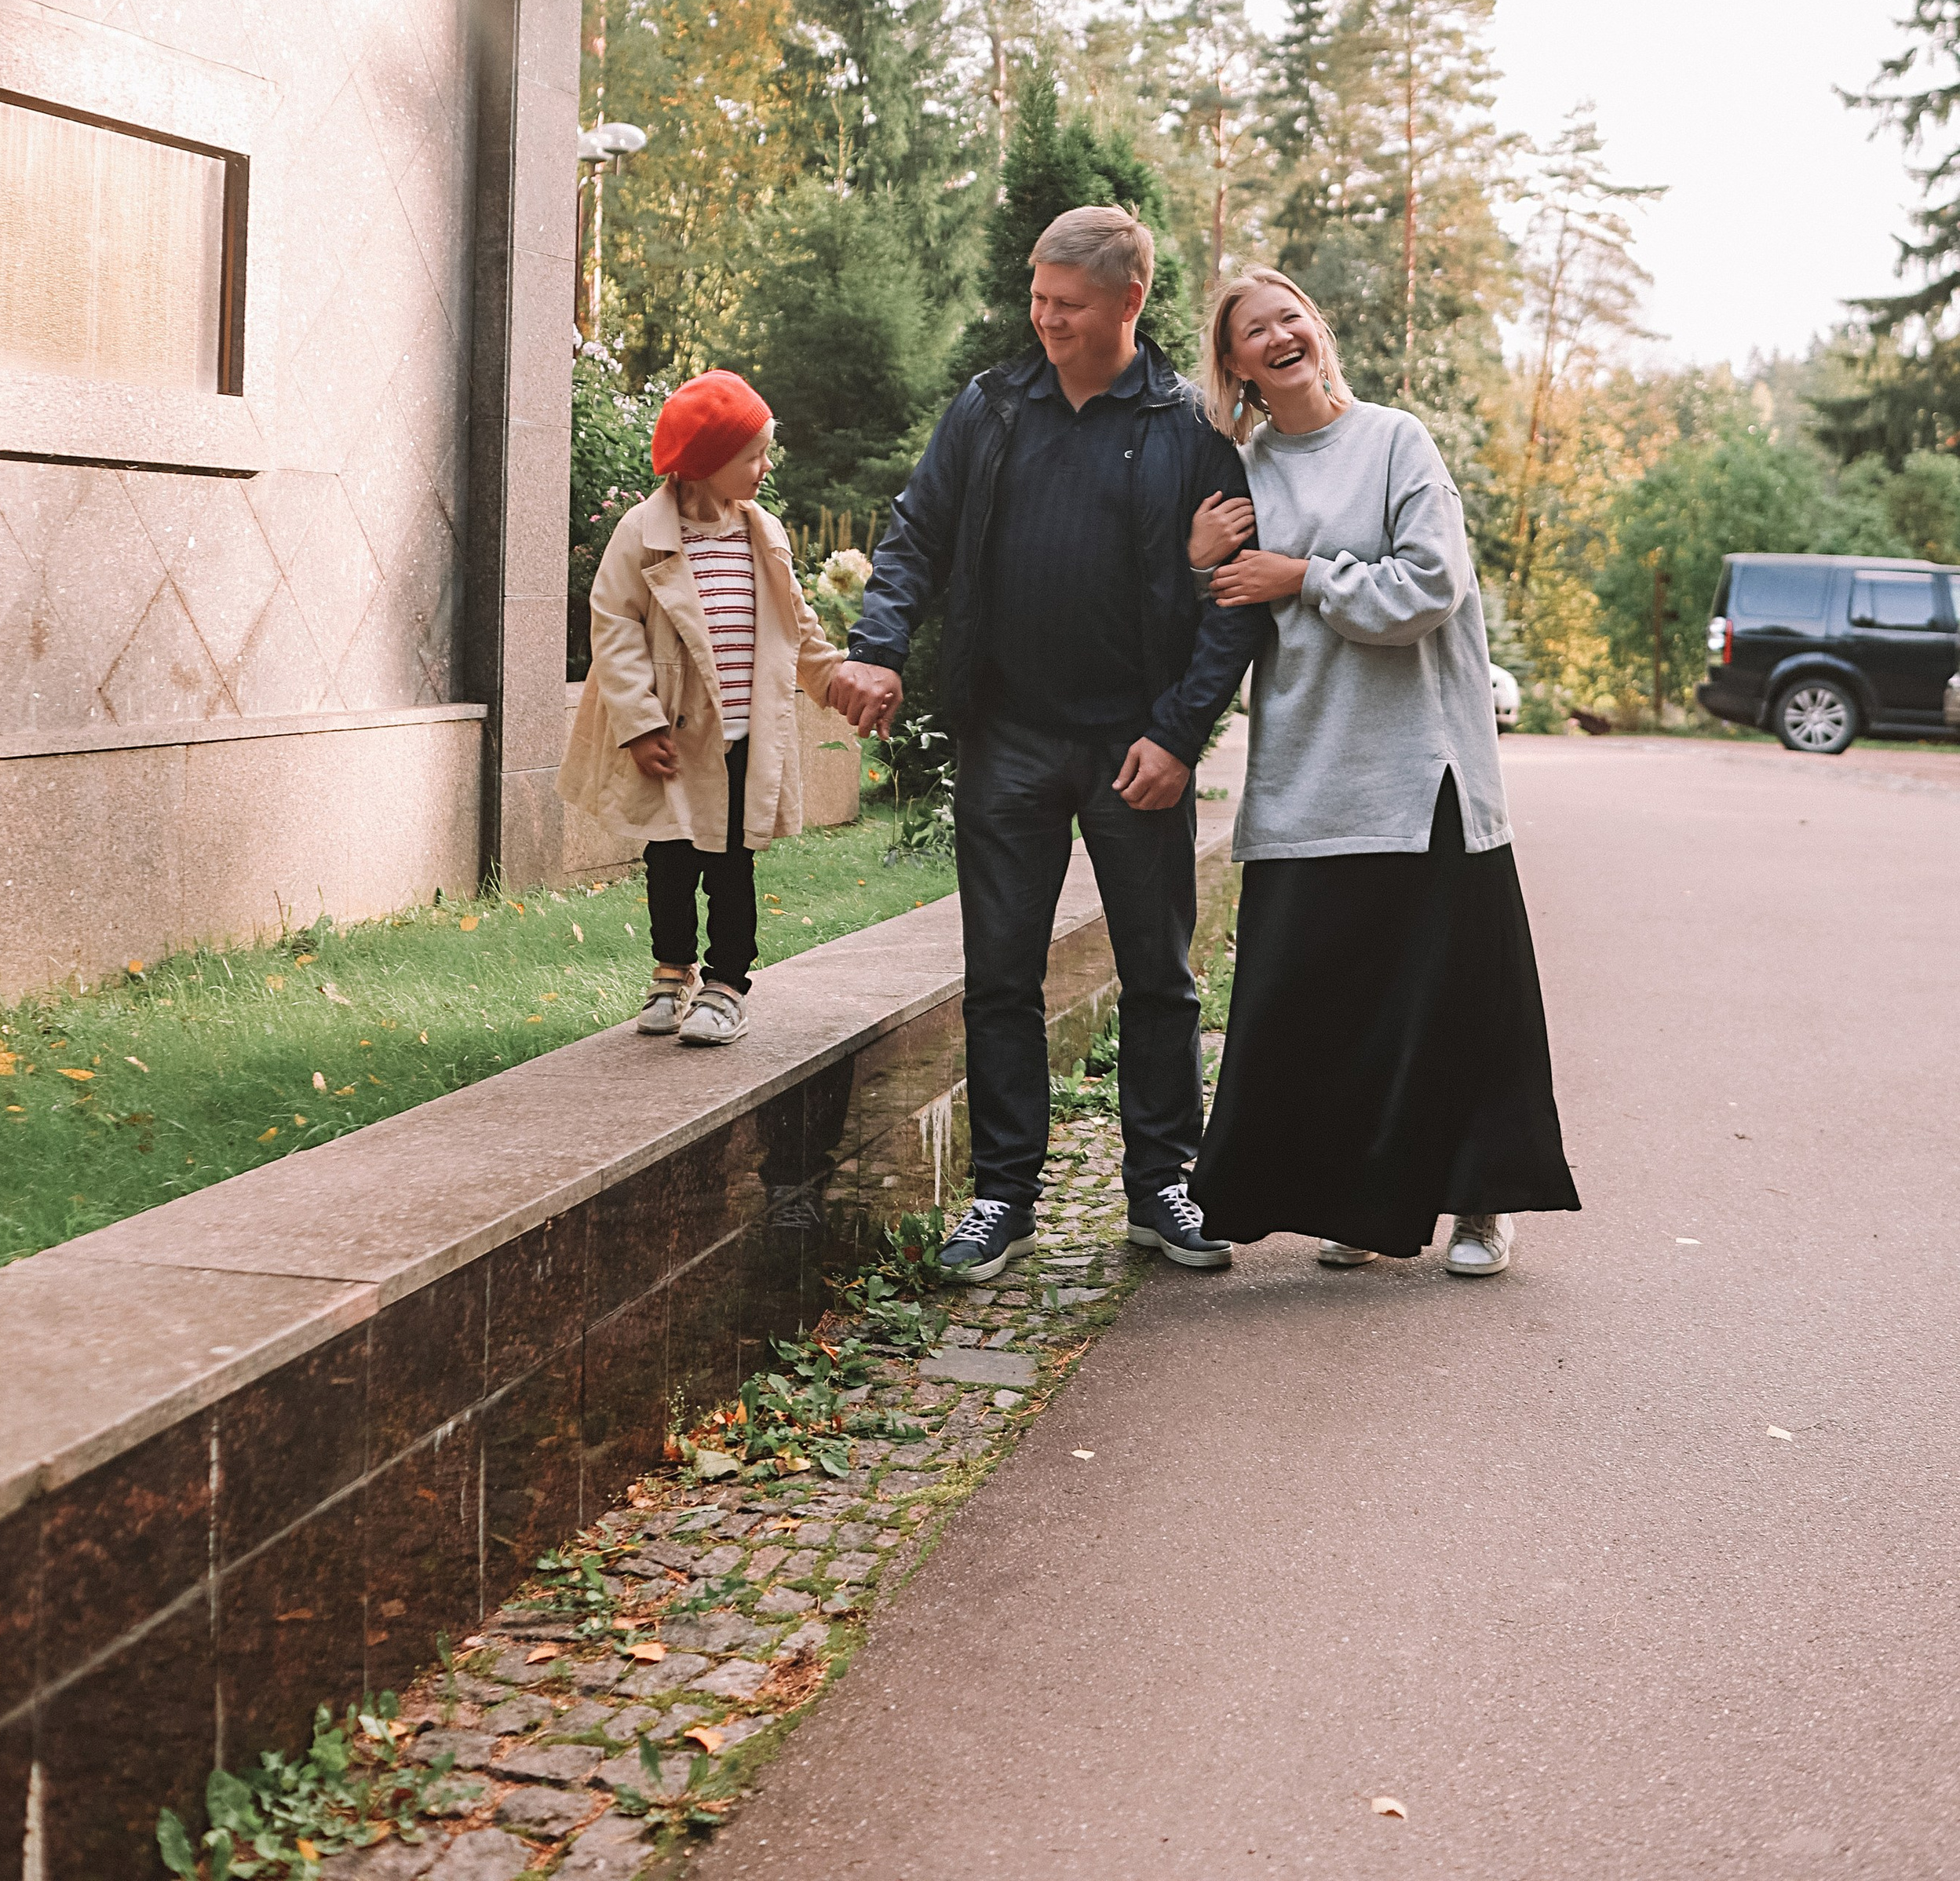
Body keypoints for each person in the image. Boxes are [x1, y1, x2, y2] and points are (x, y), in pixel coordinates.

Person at [828, 206, 1268, 1280]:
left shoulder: (1190, 428)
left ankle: (1165, 1182)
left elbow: (1232, 605)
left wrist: (1177, 735)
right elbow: (918, 531)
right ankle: (1003, 1195)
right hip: (1011, 736)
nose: (1044, 319)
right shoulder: (990, 408)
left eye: (1066, 305)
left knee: (1159, 974)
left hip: (1137, 746)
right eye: (1037, 298)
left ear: (1129, 302)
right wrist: (878, 646)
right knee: (1000, 976)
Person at [1186, 267, 1579, 1275]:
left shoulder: (1396, 439)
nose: (1280, 335)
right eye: (1254, 330)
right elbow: (1207, 624)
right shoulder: (1237, 473)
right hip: (1309, 777)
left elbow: (1432, 585)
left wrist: (1304, 575)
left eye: (1292, 316)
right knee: (1327, 1010)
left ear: (1317, 330)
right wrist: (1193, 561)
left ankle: (1481, 1205)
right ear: (1233, 365)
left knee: (1459, 1003)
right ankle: (1359, 1207)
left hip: (1426, 775)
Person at [559, 370, 848, 1046]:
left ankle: (727, 983)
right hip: (675, 733)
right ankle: (672, 970)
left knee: (732, 862)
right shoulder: (645, 533)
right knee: (669, 857)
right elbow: (615, 627)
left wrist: (834, 680)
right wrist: (640, 723)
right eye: (753, 455)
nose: (765, 467)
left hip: (744, 733)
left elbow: (795, 620)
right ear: (707, 461)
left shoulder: (761, 532)